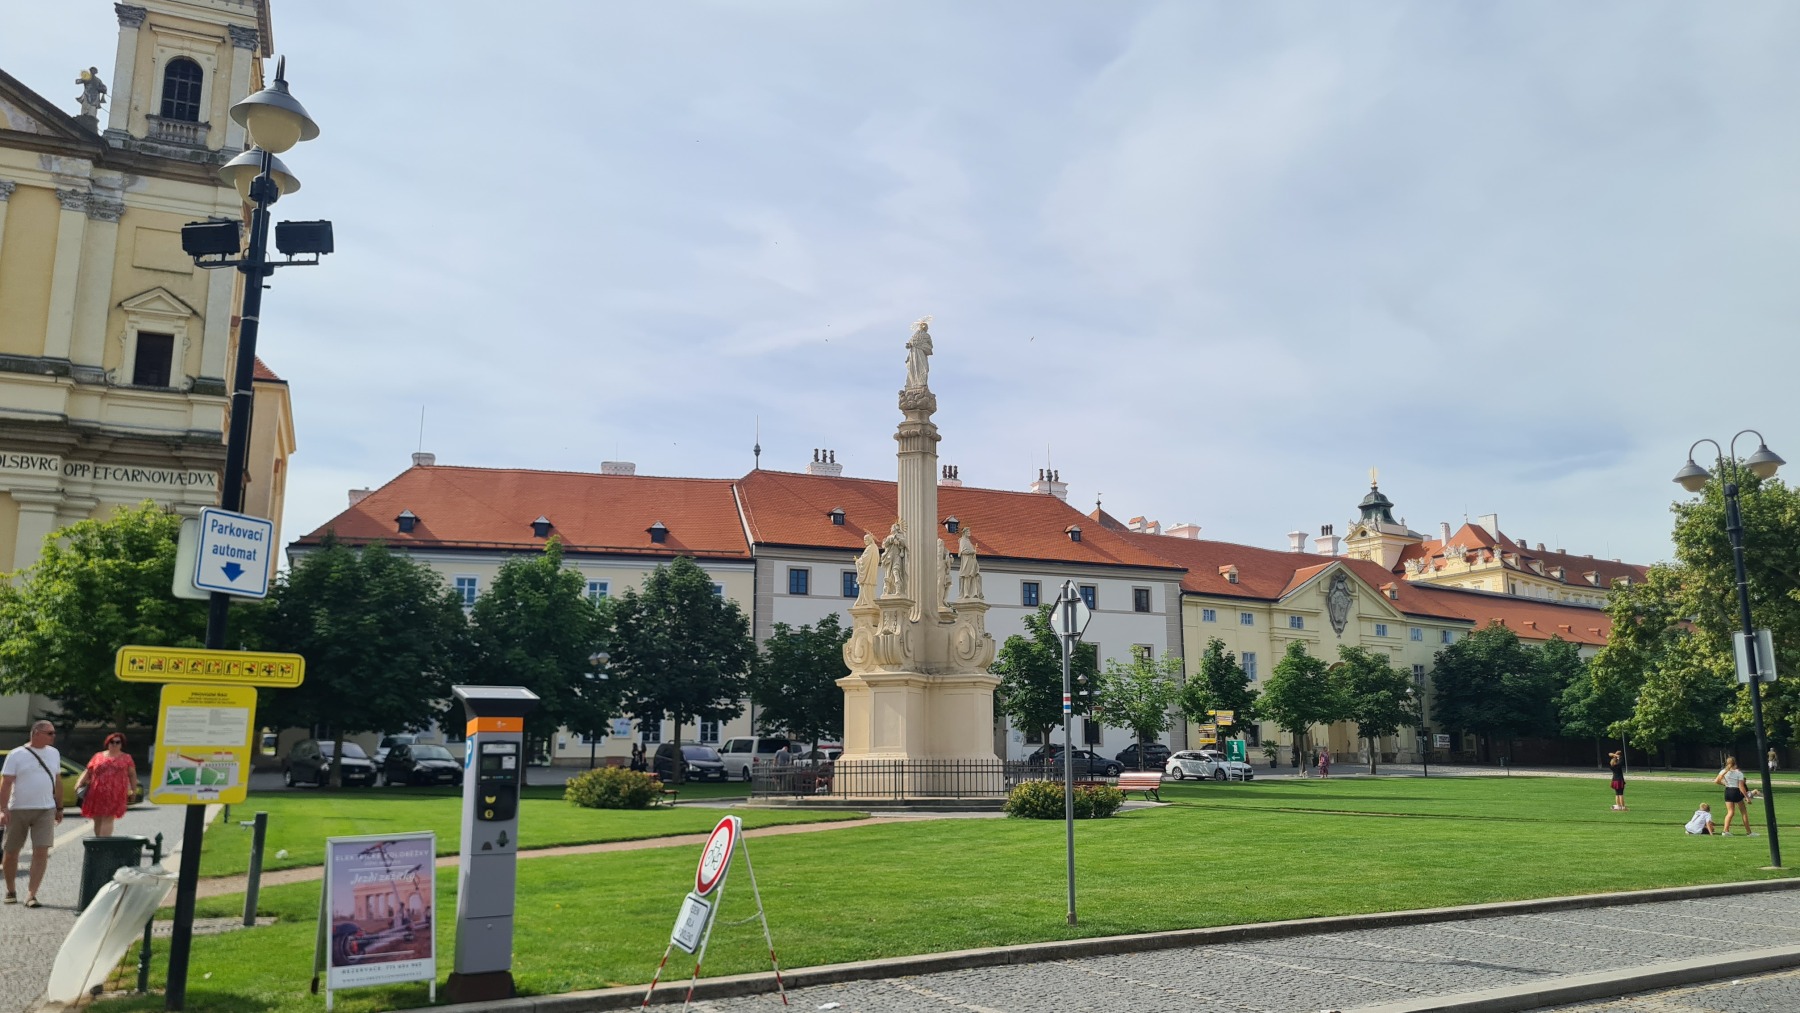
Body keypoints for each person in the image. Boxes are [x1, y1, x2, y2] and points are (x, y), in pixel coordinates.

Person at [1, 720, 64, 907]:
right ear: (36, 733)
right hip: (18, 809)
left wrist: (59, 807)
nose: (54, 736)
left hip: (46, 809)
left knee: (41, 851)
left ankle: (31, 894)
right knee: (11, 851)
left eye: (54, 732)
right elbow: (6, 783)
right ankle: (11, 890)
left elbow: (57, 781)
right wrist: (3, 809)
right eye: (50, 733)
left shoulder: (54, 753)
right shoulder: (16, 754)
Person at [75, 733, 138, 837]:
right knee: (97, 818)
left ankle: (103, 843)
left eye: (118, 742)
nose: (114, 744)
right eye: (112, 742)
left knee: (107, 818)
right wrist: (79, 783)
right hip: (96, 792)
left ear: (121, 744)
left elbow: (132, 775)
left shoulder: (126, 758)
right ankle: (99, 841)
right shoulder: (98, 756)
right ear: (107, 743)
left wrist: (133, 791)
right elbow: (88, 771)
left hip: (115, 793)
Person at [1715, 756, 1751, 836]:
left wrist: (1725, 784)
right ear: (1735, 763)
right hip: (1736, 791)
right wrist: (1747, 797)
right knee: (1743, 812)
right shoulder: (1739, 773)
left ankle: (1725, 830)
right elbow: (1741, 786)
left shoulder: (1723, 771)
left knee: (1730, 812)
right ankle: (1749, 832)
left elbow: (1717, 781)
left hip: (1728, 791)